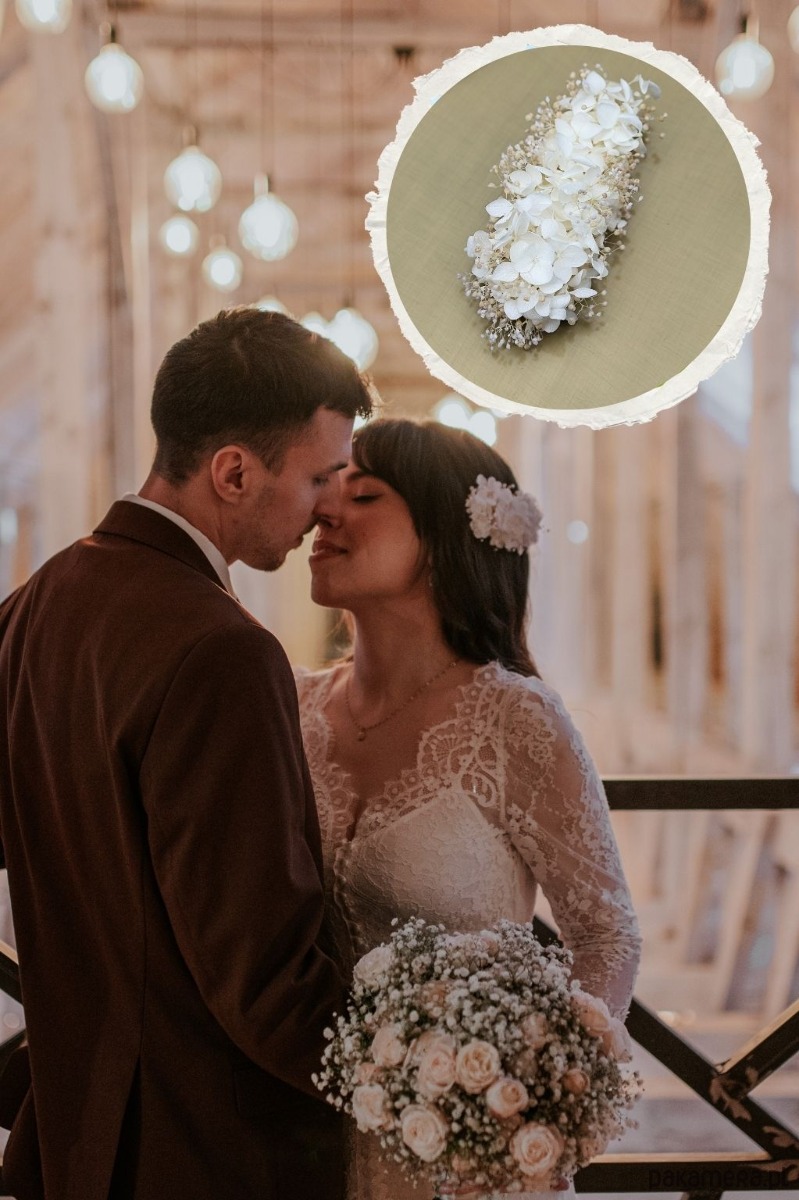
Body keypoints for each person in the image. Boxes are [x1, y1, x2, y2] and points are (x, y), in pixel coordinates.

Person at [0, 307, 373, 1200]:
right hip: (203, 1149)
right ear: (234, 472)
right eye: (317, 477)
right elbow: (264, 976)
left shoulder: (35, 602)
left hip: (76, 1130)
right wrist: (417, 1078)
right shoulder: (222, 651)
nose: (327, 507)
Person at [296, 418, 642, 1200]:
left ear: (445, 537)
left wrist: (541, 1092)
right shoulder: (291, 705)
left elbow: (604, 934)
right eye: (325, 488)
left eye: (363, 495)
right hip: (301, 1139)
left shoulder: (515, 719)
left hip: (464, 1160)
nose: (324, 510)